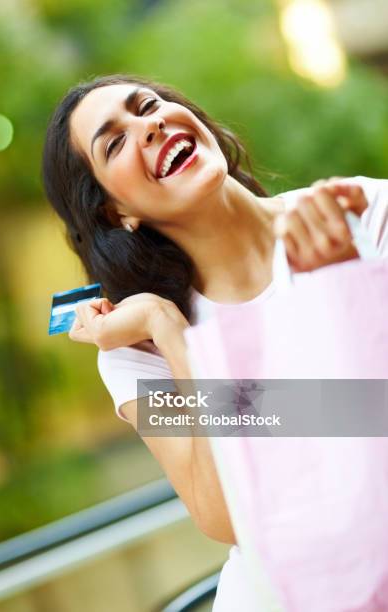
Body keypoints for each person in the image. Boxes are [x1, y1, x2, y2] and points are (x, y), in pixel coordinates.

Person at [42, 74, 388, 609]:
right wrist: (172, 334)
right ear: (116, 212)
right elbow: (226, 516)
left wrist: (342, 289)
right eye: (114, 143)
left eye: (148, 106)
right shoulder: (138, 349)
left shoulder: (361, 217)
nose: (149, 125)